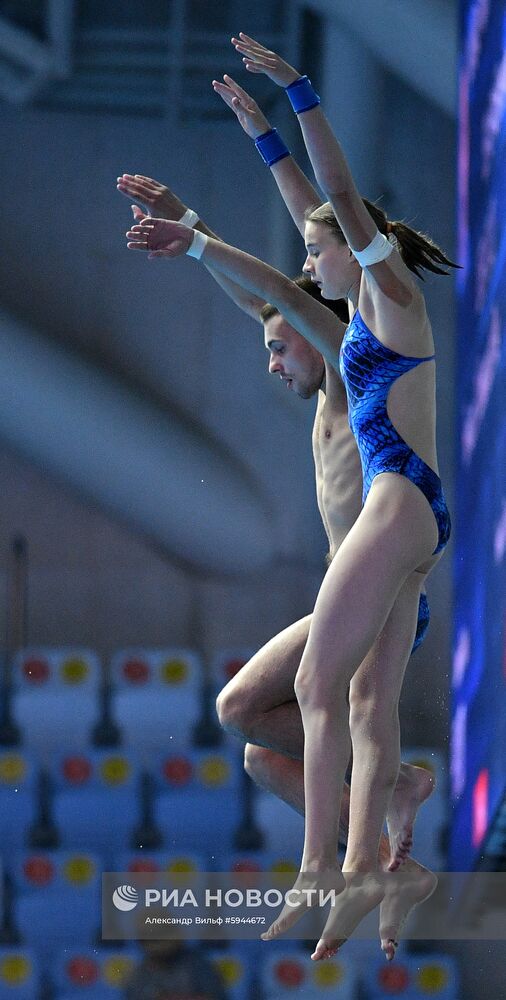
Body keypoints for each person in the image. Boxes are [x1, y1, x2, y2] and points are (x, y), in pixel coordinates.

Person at [120, 44, 456, 953]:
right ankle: (385, 849)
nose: (311, 254)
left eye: (323, 250)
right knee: (350, 716)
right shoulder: (345, 341)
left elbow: (316, 231)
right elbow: (277, 269)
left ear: (352, 251)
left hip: (399, 507)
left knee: (316, 692)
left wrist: (295, 100)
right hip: (398, 529)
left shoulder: (381, 301)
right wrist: (256, 137)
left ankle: (327, 866)